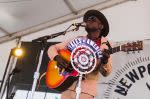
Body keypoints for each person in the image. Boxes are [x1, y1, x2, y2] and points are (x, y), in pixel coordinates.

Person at [47, 9, 112, 99]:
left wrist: (104, 61)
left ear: (101, 26)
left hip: (87, 90)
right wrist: (58, 58)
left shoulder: (105, 46)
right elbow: (52, 48)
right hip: (68, 86)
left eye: (92, 18)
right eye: (87, 19)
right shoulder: (77, 39)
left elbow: (106, 72)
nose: (88, 20)